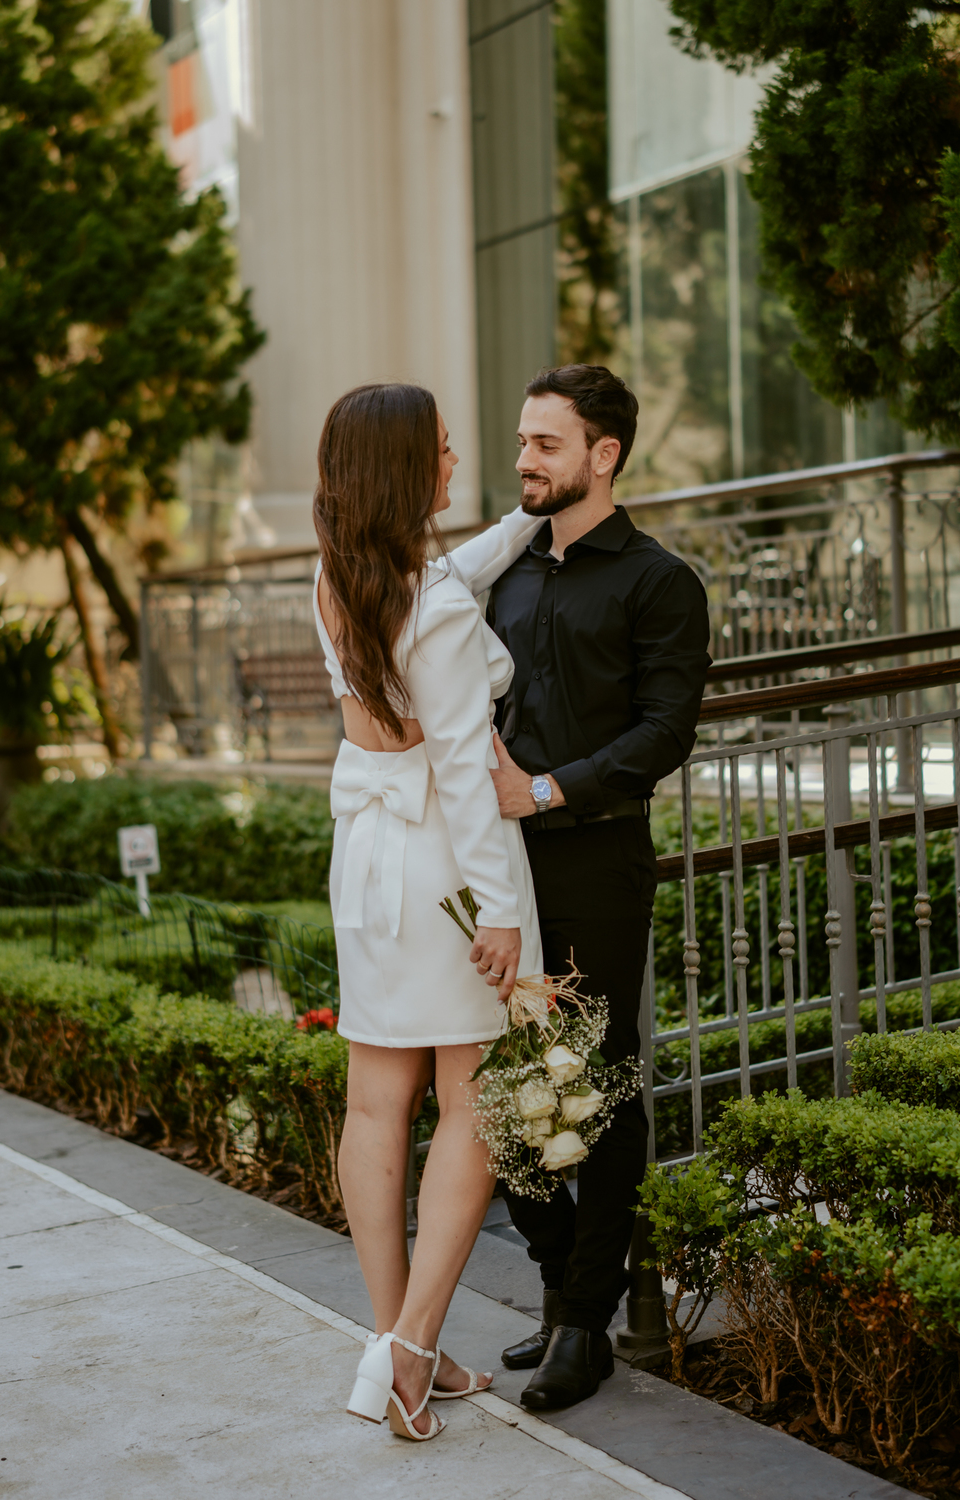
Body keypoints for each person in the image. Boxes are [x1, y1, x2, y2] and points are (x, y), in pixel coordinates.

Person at [312, 382, 544, 1442]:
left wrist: (531, 512)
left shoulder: (341, 578)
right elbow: (463, 771)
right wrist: (499, 914)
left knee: (374, 1104)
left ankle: (395, 1344)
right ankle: (408, 1355)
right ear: (407, 471)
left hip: (367, 866)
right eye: (443, 453)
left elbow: (463, 564)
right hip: (445, 873)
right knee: (478, 1104)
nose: (457, 464)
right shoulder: (439, 608)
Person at [486, 364, 711, 1411]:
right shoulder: (507, 571)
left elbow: (663, 733)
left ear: (602, 454)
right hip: (496, 873)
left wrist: (540, 789)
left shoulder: (660, 582)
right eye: (523, 441)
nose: (523, 459)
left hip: (597, 863)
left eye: (544, 443)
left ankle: (585, 1323)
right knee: (500, 1097)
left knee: (603, 1089)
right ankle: (562, 1281)